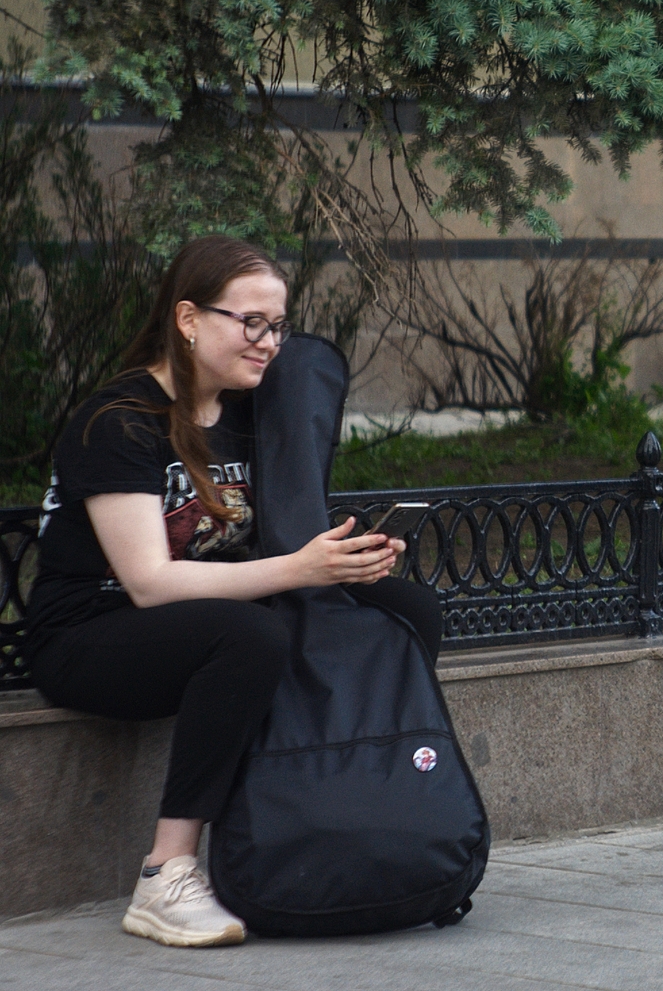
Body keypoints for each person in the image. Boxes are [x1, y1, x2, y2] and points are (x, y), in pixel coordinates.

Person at [25, 235, 442, 946]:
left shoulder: (253, 413)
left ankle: (351, 801)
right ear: (188, 319)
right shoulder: (121, 420)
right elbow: (150, 583)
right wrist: (299, 571)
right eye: (250, 322)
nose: (269, 342)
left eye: (278, 325)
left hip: (214, 611)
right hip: (94, 633)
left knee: (406, 610)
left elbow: (275, 543)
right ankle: (167, 872)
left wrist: (344, 559)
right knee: (250, 634)